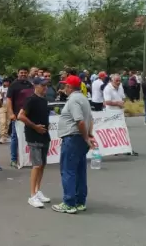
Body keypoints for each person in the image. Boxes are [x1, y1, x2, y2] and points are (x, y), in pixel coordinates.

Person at [51, 75, 94, 214]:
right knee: (79, 170)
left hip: (73, 137)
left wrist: (86, 137)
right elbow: (90, 119)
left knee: (68, 170)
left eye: (65, 85)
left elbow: (79, 121)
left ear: (69, 87)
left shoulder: (74, 100)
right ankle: (80, 201)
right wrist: (89, 135)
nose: (64, 88)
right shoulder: (83, 99)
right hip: (79, 137)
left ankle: (69, 202)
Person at [18, 77, 51, 208]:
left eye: (46, 85)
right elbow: (21, 116)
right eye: (42, 85)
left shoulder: (44, 100)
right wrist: (35, 126)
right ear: (35, 86)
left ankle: (37, 190)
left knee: (42, 165)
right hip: (34, 136)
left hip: (44, 135)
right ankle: (32, 195)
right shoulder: (30, 100)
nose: (45, 88)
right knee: (37, 165)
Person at [7, 67, 35, 168]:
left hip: (29, 115)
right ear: (18, 73)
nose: (23, 74)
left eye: (25, 73)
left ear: (27, 74)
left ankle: (29, 159)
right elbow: (9, 100)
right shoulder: (13, 85)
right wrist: (11, 113)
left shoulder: (30, 84)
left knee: (29, 137)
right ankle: (13, 159)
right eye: (21, 72)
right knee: (15, 137)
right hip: (17, 115)